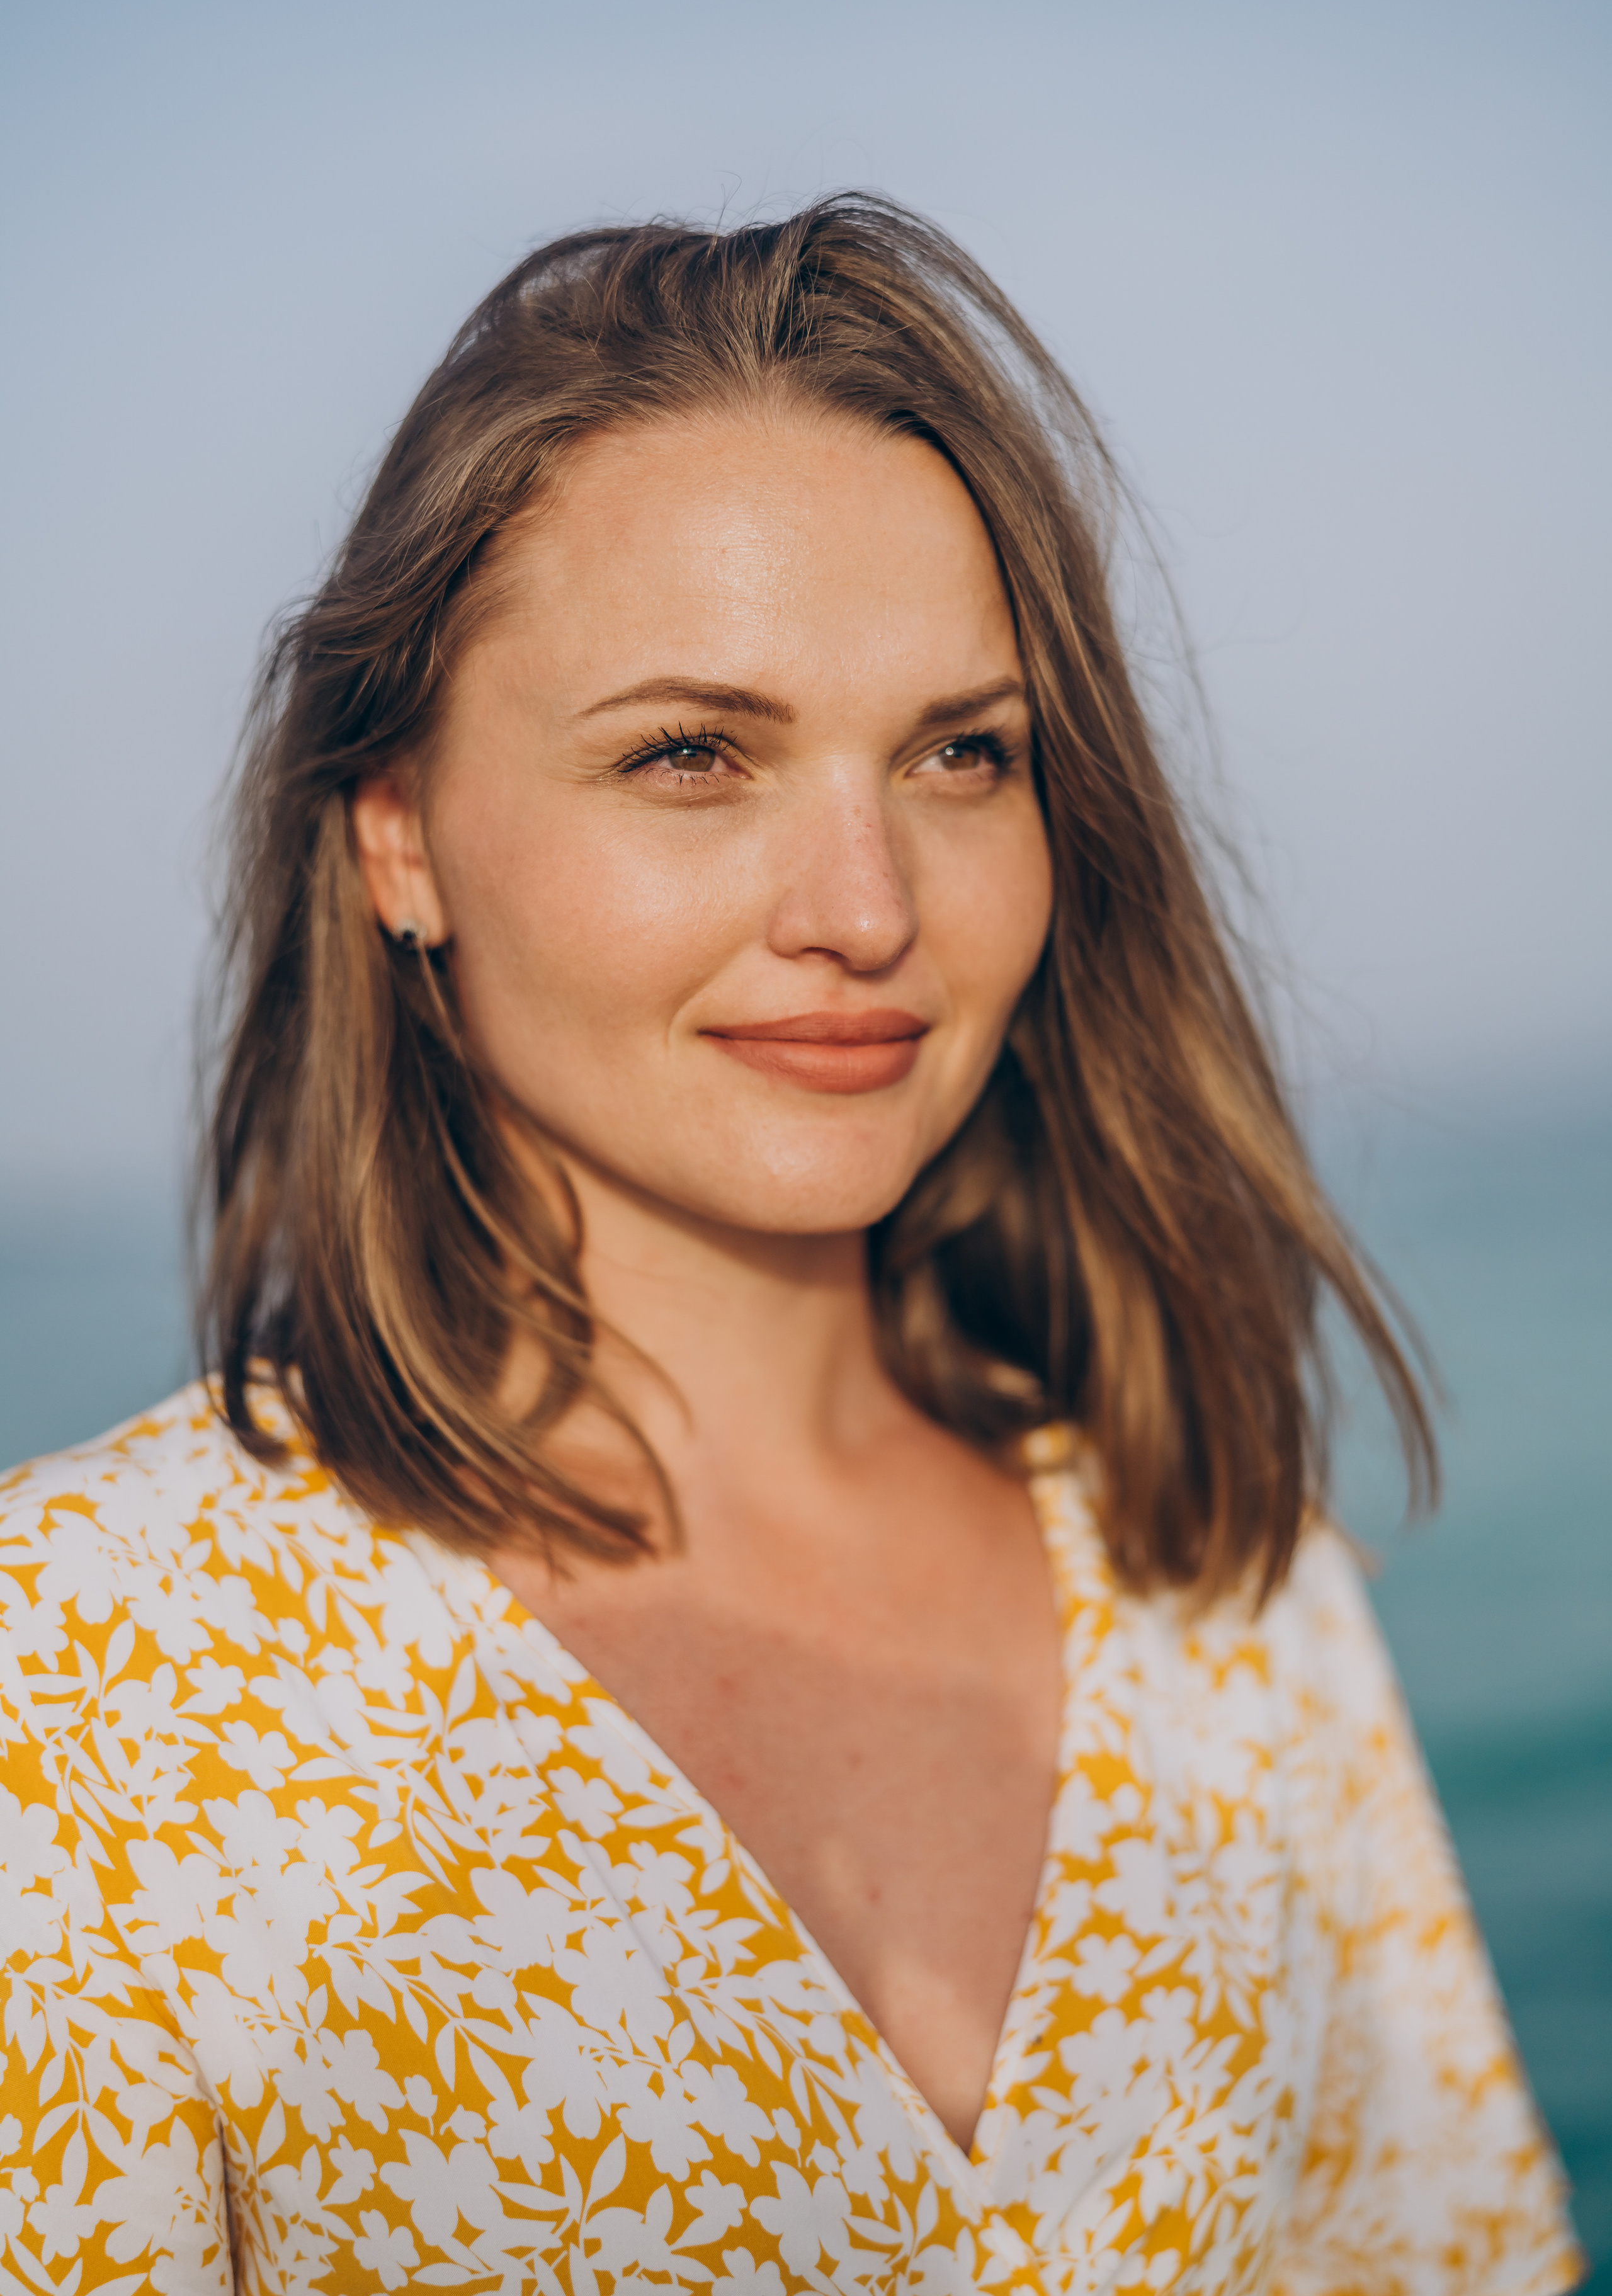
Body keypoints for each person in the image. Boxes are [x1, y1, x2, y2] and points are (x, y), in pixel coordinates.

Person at [0, 198, 1581, 2296]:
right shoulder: (84, 1688)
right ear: (398, 832)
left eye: (961, 753)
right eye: (691, 754)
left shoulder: (1225, 1581)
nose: (865, 903)